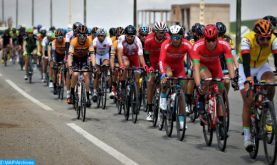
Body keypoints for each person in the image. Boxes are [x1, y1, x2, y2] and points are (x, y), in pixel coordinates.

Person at [239, 19, 277, 152]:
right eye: (262, 39)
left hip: (261, 65)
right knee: (248, 100)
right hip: (246, 67)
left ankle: (267, 108)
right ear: (256, 36)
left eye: (267, 38)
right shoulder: (247, 40)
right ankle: (247, 136)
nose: (265, 42)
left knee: (271, 83)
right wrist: (248, 78)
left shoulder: (273, 39)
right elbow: (245, 61)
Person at [159, 25, 193, 129]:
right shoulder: (165, 44)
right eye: (173, 37)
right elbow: (161, 60)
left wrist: (191, 69)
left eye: (178, 37)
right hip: (167, 65)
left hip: (179, 67)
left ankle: (182, 121)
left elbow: (194, 58)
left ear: (182, 37)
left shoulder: (187, 44)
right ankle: (163, 98)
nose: (175, 40)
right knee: (168, 76)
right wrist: (163, 73)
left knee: (181, 94)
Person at [144, 21, 169, 121]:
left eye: (163, 32)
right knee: (150, 82)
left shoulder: (168, 38)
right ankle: (150, 110)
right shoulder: (148, 40)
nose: (161, 34)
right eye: (159, 32)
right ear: (155, 32)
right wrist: (149, 66)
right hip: (153, 63)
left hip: (164, 62)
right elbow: (146, 55)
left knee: (167, 81)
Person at [67, 25, 94, 107]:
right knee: (75, 74)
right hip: (75, 58)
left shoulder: (89, 40)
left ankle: (88, 97)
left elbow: (92, 54)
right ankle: (72, 92)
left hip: (84, 58)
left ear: (86, 35)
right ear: (77, 35)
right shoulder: (73, 41)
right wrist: (70, 66)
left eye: (84, 35)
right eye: (80, 35)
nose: (82, 37)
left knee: (86, 74)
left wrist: (93, 65)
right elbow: (70, 56)